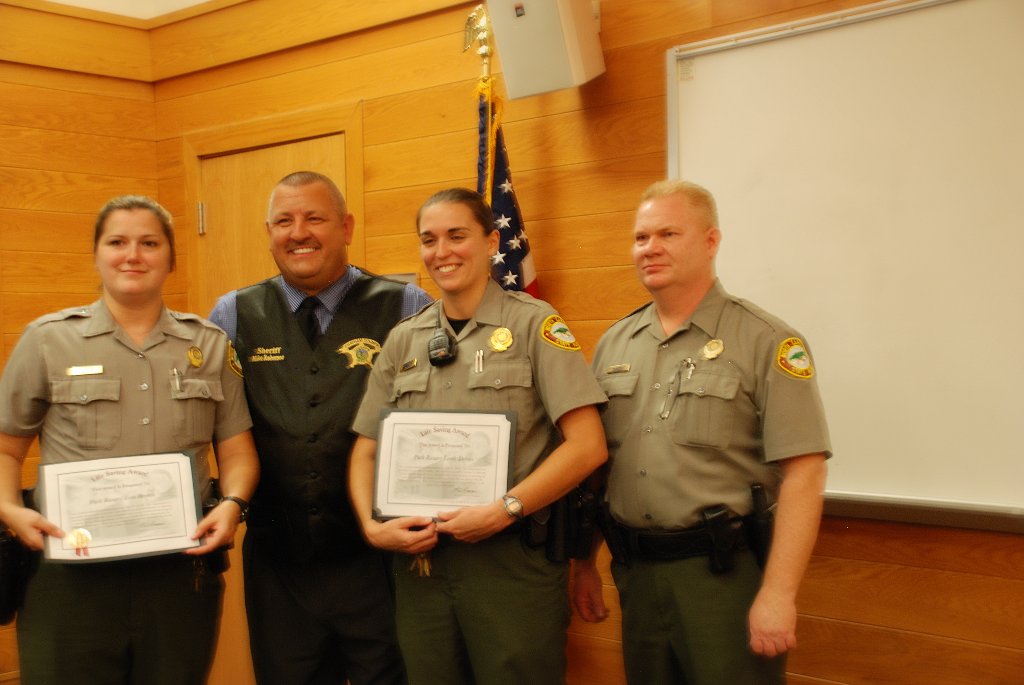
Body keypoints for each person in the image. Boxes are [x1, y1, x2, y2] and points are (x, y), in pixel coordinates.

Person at [573, 180, 831, 684]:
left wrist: (778, 595)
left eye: (668, 233)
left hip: (724, 577)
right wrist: (585, 562)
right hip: (636, 574)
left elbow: (805, 474)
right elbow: (598, 468)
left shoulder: (766, 340)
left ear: (711, 241)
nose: (651, 248)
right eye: (641, 237)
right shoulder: (614, 343)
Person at [348, 187, 608, 685]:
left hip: (511, 564)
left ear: (492, 242)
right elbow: (366, 447)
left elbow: (588, 444)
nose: (441, 252)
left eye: (456, 235)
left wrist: (505, 508)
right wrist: (370, 525)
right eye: (429, 240)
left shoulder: (537, 325)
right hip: (422, 565)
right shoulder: (405, 338)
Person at [0, 195, 259, 685]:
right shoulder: (48, 340)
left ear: (170, 258)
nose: (132, 255)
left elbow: (237, 449)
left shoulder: (207, 343)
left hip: (179, 574)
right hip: (71, 576)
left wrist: (233, 504)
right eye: (117, 242)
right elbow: (6, 447)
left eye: (149, 243)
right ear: (97, 254)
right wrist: (10, 509)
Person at [208, 170, 431, 685]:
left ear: (347, 226)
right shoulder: (233, 314)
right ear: (268, 231)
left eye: (314, 218)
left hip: (379, 559)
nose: (298, 232)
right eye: (283, 221)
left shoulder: (406, 307)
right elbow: (215, 423)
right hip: (280, 565)